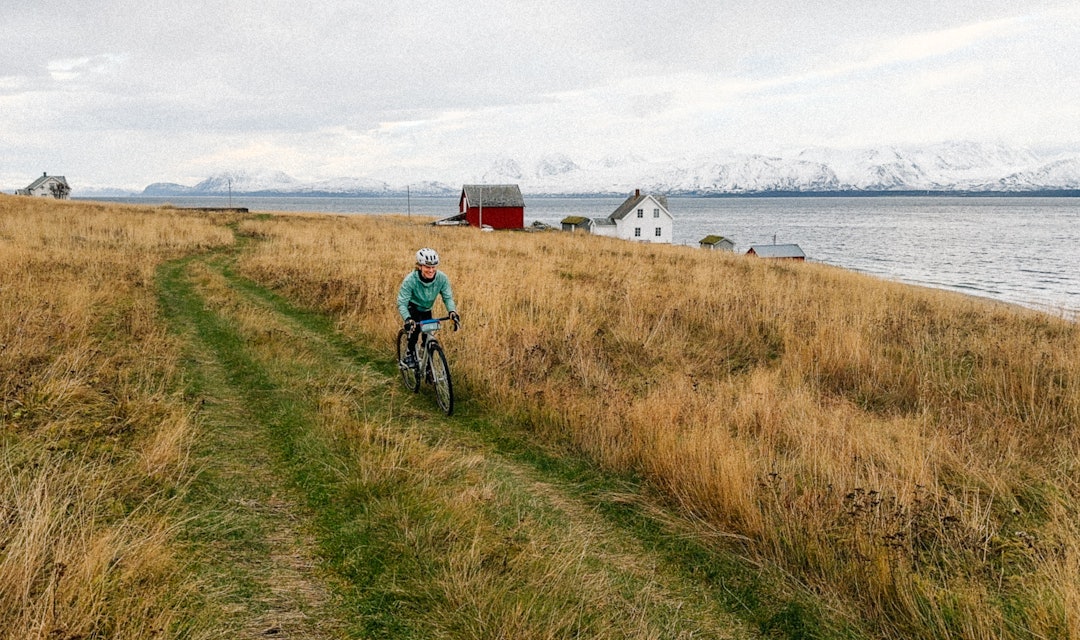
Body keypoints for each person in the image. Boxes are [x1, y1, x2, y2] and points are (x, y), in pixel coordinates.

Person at [397, 247, 459, 366]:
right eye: (427, 267)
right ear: (420, 266)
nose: (431, 270)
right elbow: (402, 302)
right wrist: (407, 318)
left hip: (426, 309)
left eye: (433, 267)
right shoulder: (410, 280)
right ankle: (409, 353)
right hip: (412, 307)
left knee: (428, 337)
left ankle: (427, 363)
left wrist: (452, 311)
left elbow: (448, 297)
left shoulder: (442, 278)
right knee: (415, 330)